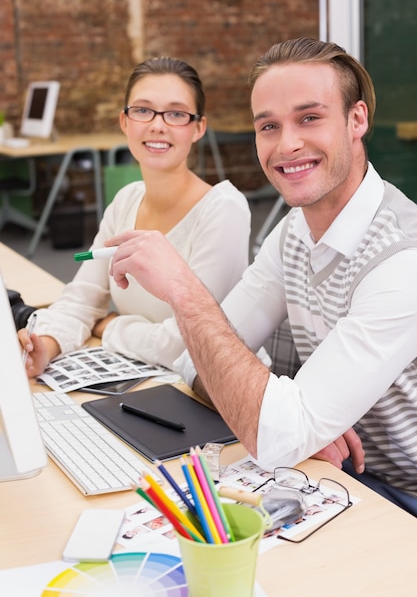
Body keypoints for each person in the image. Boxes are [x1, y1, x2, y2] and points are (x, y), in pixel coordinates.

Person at [105, 38, 417, 516]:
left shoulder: (401, 259)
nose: (287, 143)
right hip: (340, 478)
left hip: (402, 499)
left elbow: (270, 420)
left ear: (357, 120)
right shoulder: (294, 233)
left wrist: (184, 291)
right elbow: (196, 365)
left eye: (309, 118)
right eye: (268, 126)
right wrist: (294, 418)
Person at [20, 56, 251, 376]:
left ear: (198, 128)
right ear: (125, 122)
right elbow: (82, 300)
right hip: (145, 376)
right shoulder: (127, 200)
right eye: (143, 110)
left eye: (176, 114)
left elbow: (188, 343)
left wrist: (111, 326)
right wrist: (46, 344)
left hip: (210, 393)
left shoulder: (223, 209)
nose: (157, 125)